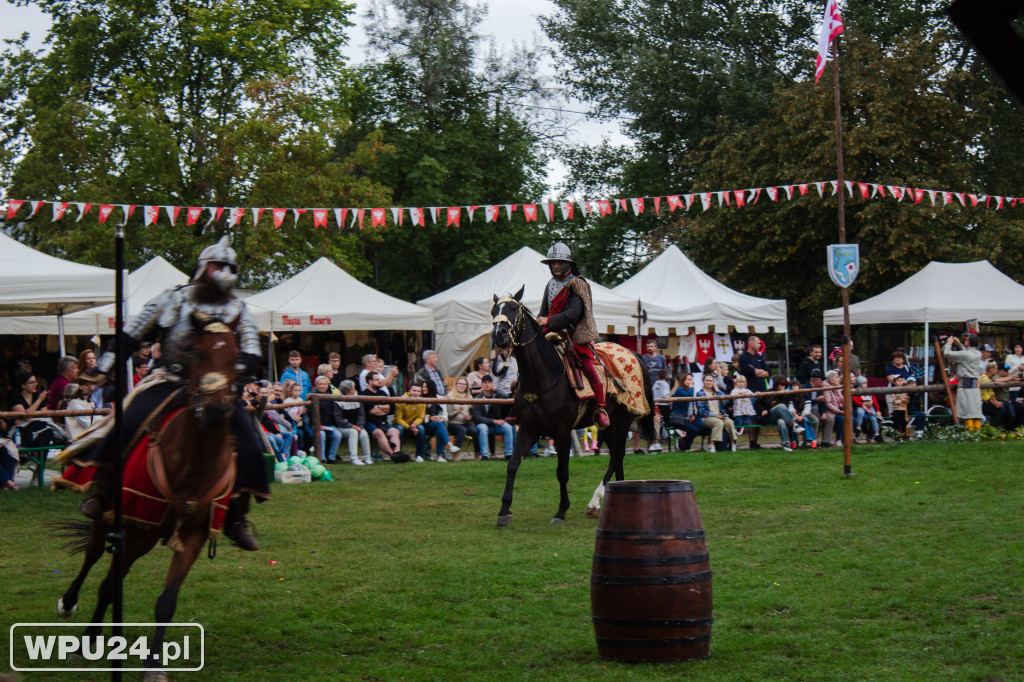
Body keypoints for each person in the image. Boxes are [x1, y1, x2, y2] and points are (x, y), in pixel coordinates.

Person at [76, 236, 267, 551]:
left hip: (216, 388)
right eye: (217, 266)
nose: (222, 273)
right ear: (203, 269)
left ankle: (235, 515)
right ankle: (103, 491)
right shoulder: (173, 299)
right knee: (126, 422)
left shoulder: (238, 308)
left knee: (249, 442)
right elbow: (129, 337)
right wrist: (102, 369)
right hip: (169, 379)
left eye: (228, 267)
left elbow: (251, 352)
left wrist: (236, 369)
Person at [534, 242, 610, 428]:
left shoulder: (578, 284)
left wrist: (549, 321)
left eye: (559, 263)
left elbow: (574, 313)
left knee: (588, 366)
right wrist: (539, 322)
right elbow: (544, 310)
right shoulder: (549, 285)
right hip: (549, 332)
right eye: (553, 263)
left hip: (572, 334)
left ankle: (600, 408)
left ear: (567, 264)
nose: (556, 266)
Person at [943, 334, 983, 431]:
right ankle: (978, 432)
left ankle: (970, 433)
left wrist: (949, 343)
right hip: (975, 385)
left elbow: (947, 354)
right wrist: (960, 345)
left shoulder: (965, 354)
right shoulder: (978, 353)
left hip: (966, 385)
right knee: (975, 411)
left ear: (968, 342)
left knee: (967, 410)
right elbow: (966, 353)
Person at [738, 335, 771, 450]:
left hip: (761, 391)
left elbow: (768, 372)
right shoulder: (743, 357)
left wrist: (757, 372)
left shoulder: (759, 357)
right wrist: (757, 372)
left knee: (757, 416)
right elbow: (747, 371)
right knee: (751, 417)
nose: (759, 345)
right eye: (757, 343)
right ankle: (752, 441)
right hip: (750, 391)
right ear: (751, 343)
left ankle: (756, 441)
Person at [360, 370, 402, 459]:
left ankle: (397, 452)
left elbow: (391, 409)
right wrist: (384, 408)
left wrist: (378, 407)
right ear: (370, 381)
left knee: (395, 431)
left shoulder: (382, 393)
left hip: (383, 421)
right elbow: (372, 411)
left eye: (379, 379)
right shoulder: (364, 394)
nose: (379, 382)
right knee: (379, 433)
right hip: (370, 422)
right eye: (376, 380)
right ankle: (393, 455)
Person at [471, 375, 514, 459]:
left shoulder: (497, 396)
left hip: (495, 425)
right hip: (482, 424)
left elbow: (505, 396)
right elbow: (477, 418)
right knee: (483, 428)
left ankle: (509, 454)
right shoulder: (477, 398)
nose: (487, 384)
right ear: (482, 384)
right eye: (485, 383)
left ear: (492, 384)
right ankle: (484, 455)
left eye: (489, 382)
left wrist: (496, 389)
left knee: (508, 427)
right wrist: (494, 421)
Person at [694, 374, 736, 452]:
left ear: (713, 382)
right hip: (707, 417)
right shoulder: (700, 393)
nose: (709, 382)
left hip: (720, 415)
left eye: (711, 381)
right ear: (703, 381)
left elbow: (726, 402)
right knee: (718, 423)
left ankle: (733, 444)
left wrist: (717, 390)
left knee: (730, 422)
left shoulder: (717, 392)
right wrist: (714, 415)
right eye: (707, 380)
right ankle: (712, 445)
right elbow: (701, 410)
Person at [420, 380, 459, 461]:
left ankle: (439, 457)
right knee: (438, 425)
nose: (423, 388)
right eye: (422, 387)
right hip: (424, 424)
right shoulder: (421, 399)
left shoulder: (439, 399)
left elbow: (445, 414)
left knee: (438, 429)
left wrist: (442, 418)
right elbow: (419, 415)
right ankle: (450, 446)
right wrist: (430, 418)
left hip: (436, 424)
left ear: (430, 388)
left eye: (425, 387)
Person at [337, 379, 373, 465]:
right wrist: (352, 426)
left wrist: (359, 426)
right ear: (346, 391)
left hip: (357, 425)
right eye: (351, 389)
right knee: (353, 433)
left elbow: (361, 415)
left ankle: (367, 457)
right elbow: (339, 419)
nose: (354, 390)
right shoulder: (338, 401)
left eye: (354, 388)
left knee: (364, 434)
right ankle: (353, 458)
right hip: (343, 426)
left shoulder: (357, 398)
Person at [313, 375, 346, 463]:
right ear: (316, 385)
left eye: (324, 384)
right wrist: (318, 425)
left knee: (337, 435)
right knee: (322, 435)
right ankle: (322, 458)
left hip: (330, 425)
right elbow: (311, 414)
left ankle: (331, 457)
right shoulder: (313, 397)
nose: (322, 386)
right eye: (320, 384)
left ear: (327, 385)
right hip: (317, 425)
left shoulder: (330, 397)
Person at [668, 373, 700, 452]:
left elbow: (691, 405)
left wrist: (693, 415)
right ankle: (685, 446)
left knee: (700, 427)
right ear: (683, 381)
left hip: (686, 417)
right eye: (688, 379)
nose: (690, 381)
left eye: (691, 380)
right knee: (693, 430)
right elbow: (688, 398)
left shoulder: (688, 390)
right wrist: (691, 388)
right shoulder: (680, 390)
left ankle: (683, 444)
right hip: (678, 418)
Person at [446, 377, 477, 457]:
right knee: (462, 430)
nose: (462, 386)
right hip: (453, 423)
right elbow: (448, 416)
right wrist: (457, 412)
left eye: (464, 384)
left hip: (465, 422)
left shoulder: (469, 397)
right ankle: (455, 454)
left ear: (466, 386)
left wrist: (469, 417)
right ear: (456, 385)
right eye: (460, 383)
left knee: (475, 431)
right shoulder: (450, 396)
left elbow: (472, 413)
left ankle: (477, 453)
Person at [853, 376, 883, 443]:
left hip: (870, 407)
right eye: (863, 384)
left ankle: (877, 433)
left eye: (866, 384)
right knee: (860, 413)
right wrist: (862, 404)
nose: (865, 385)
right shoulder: (857, 391)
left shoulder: (869, 391)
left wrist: (877, 410)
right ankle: (858, 427)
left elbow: (874, 401)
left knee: (874, 417)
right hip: (861, 407)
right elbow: (855, 399)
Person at [649, 368, 671, 452]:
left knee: (658, 421)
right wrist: (669, 400)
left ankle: (660, 437)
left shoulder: (655, 384)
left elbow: (653, 393)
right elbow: (665, 395)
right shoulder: (665, 384)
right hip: (664, 405)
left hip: (656, 404)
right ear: (666, 376)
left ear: (658, 376)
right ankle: (666, 437)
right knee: (666, 421)